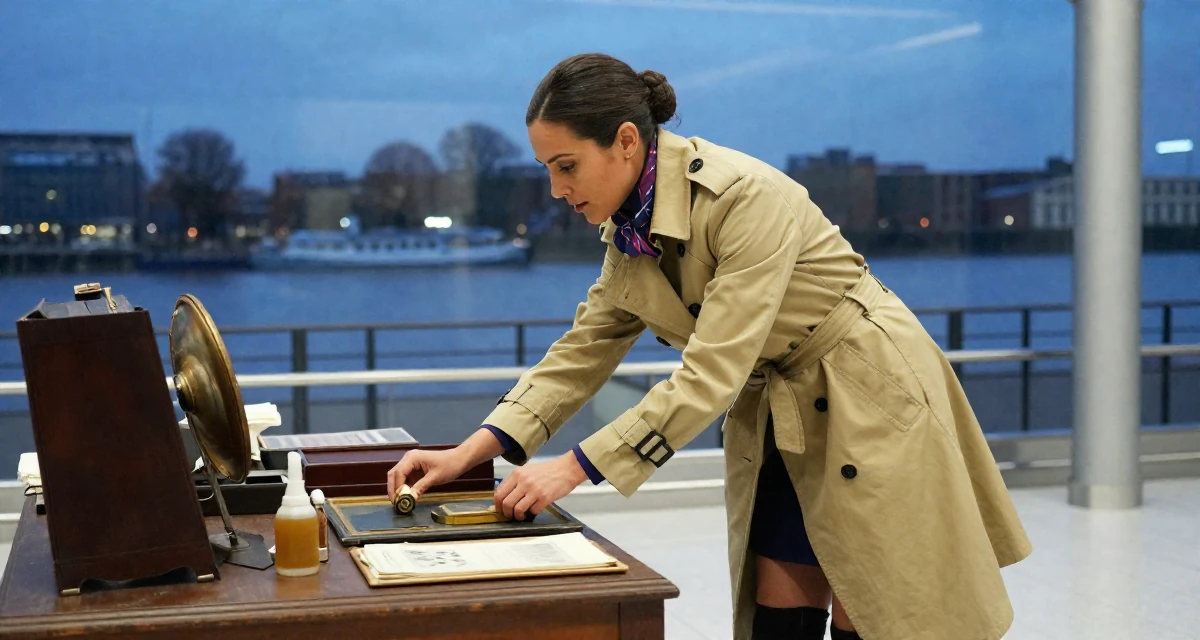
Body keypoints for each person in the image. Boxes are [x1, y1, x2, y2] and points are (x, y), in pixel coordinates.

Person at [387, 53, 1032, 640]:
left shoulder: (744, 199)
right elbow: (584, 348)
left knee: (882, 609)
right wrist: (472, 452)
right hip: (781, 405)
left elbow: (710, 372)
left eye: (567, 166)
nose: (557, 190)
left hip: (867, 390)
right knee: (780, 609)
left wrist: (576, 466)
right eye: (547, 170)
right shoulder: (630, 229)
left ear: (626, 142)